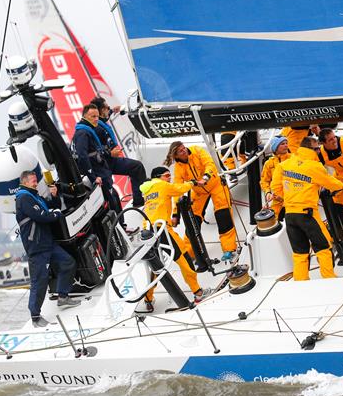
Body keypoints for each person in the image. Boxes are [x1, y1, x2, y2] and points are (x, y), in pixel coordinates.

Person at [271, 136, 343, 281]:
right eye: (317, 148)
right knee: (324, 247)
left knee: (300, 252)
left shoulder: (284, 165)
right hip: (308, 215)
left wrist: (285, 197)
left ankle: (301, 281)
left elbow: (275, 187)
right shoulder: (315, 167)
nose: (319, 150)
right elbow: (334, 184)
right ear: (311, 149)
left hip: (290, 215)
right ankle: (329, 278)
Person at [140, 167, 211, 310]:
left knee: (155, 265)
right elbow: (180, 188)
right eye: (167, 175)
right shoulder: (162, 185)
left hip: (147, 231)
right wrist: (192, 183)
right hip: (162, 229)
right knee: (184, 259)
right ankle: (198, 292)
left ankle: (148, 300)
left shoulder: (147, 190)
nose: (169, 178)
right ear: (158, 177)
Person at [15, 170, 80, 327]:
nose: (36, 183)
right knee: (39, 281)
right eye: (32, 180)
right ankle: (35, 317)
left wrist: (55, 195)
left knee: (68, 262)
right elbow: (42, 216)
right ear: (24, 182)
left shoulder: (35, 196)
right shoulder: (23, 197)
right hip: (37, 247)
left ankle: (63, 297)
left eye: (36, 180)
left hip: (48, 243)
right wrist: (57, 215)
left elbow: (52, 206)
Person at [164, 141, 238, 261]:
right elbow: (177, 190)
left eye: (184, 148)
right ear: (176, 156)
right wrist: (176, 214)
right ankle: (190, 252)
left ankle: (229, 249)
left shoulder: (197, 150)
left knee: (222, 215)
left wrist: (205, 177)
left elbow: (210, 164)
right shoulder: (178, 168)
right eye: (181, 151)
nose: (185, 151)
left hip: (216, 185)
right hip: (199, 192)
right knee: (192, 220)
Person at [90, 97, 146, 207]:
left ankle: (138, 201)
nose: (109, 109)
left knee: (136, 167)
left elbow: (105, 116)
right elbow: (95, 149)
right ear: (101, 111)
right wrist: (110, 153)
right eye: (107, 108)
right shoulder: (97, 129)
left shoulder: (100, 120)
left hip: (110, 160)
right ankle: (138, 202)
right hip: (106, 164)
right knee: (136, 167)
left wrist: (114, 110)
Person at [72, 104, 117, 213]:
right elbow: (82, 156)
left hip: (101, 169)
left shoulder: (87, 130)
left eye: (97, 116)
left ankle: (122, 225)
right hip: (98, 173)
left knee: (113, 196)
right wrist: (93, 177)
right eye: (93, 116)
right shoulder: (82, 133)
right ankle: (120, 226)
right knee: (111, 200)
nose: (96, 119)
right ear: (84, 116)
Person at [260, 135, 292, 220]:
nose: (286, 145)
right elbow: (264, 181)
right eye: (282, 144)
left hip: (292, 200)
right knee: (274, 220)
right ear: (275, 148)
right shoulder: (268, 163)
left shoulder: (294, 159)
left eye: (286, 143)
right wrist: (267, 192)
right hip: (277, 201)